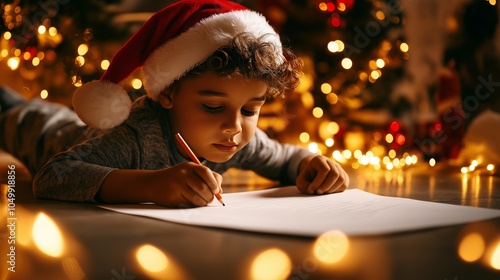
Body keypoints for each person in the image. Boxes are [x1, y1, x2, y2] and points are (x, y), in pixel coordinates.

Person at [0, 0, 349, 208]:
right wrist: (151, 185)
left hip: (65, 124)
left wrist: (313, 166)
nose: (235, 126)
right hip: (31, 127)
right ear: (167, 94)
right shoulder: (136, 136)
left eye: (250, 109)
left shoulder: (238, 138)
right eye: (212, 107)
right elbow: (52, 176)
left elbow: (287, 159)